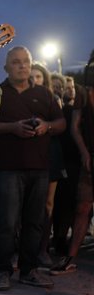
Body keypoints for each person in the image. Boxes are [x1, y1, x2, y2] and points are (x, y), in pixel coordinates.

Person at [0, 46, 65, 291]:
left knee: (34, 222)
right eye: (16, 62)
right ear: (6, 67)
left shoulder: (44, 93)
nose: (22, 66)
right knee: (6, 221)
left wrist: (46, 126)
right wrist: (12, 127)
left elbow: (61, 122)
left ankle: (28, 270)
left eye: (26, 61)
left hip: (39, 168)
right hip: (7, 168)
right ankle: (3, 271)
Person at [50, 56, 94, 275]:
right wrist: (85, 151)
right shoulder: (85, 92)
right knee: (82, 207)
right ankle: (71, 256)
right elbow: (75, 127)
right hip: (90, 158)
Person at [31, 62, 66, 267]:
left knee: (47, 205)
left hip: (50, 153)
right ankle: (25, 248)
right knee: (26, 205)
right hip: (27, 154)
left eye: (39, 77)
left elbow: (60, 125)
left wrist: (47, 126)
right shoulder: (20, 97)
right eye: (32, 77)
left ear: (44, 79)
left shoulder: (53, 100)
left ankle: (43, 249)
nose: (35, 80)